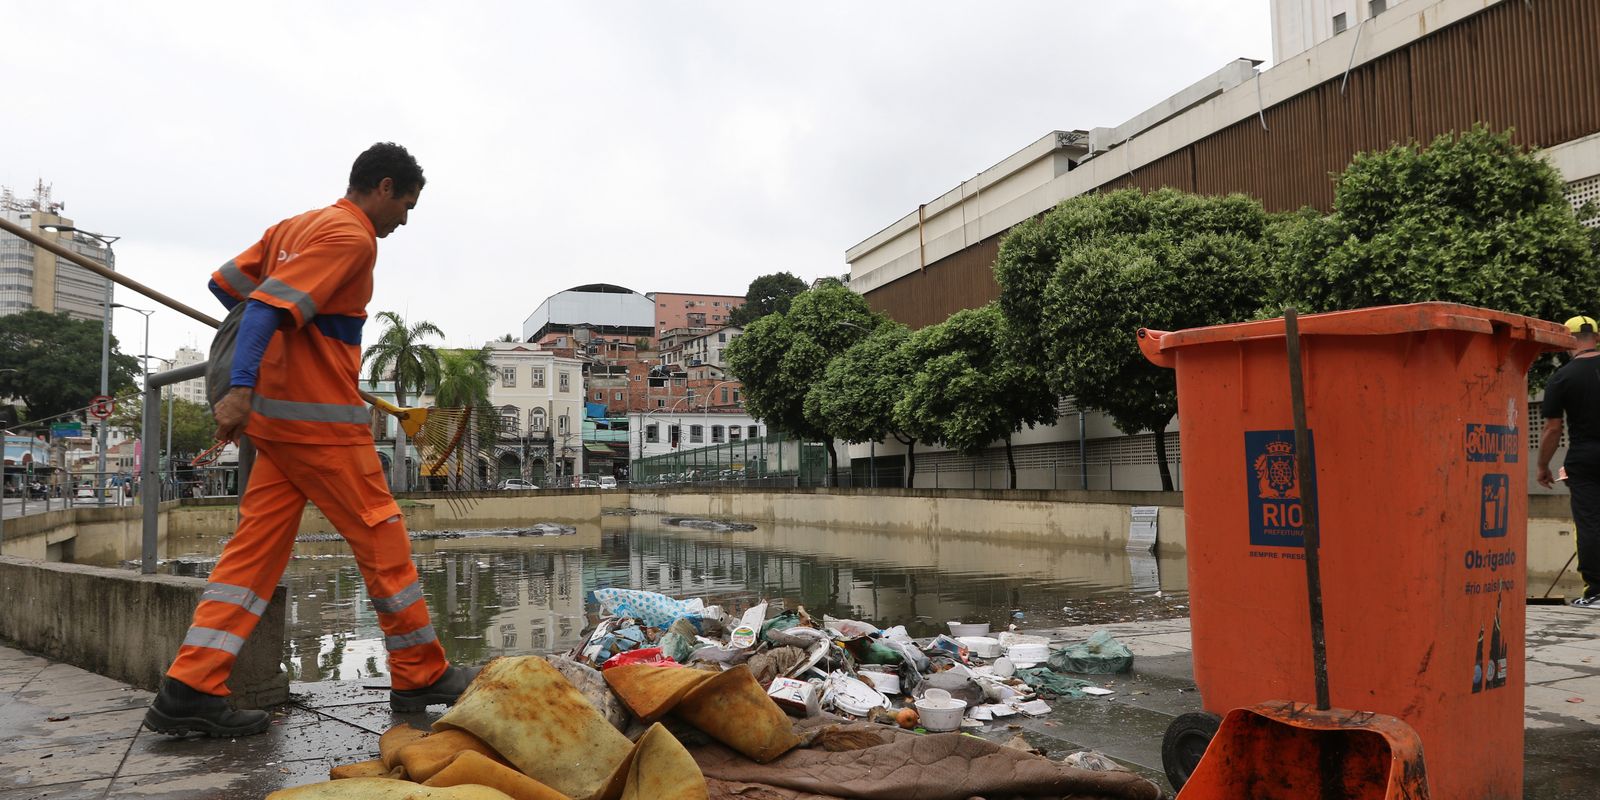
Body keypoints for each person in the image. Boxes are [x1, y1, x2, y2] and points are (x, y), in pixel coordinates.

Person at [145, 143, 476, 738]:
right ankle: (419, 671)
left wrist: (289, 334)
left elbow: (230, 289)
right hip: (318, 423)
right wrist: (242, 383)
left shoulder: (293, 228)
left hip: (277, 428)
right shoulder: (351, 237)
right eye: (406, 203)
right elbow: (267, 308)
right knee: (381, 532)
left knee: (254, 555)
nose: (405, 218)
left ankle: (188, 688)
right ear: (383, 186)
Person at [1537, 315, 1600, 608]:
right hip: (1586, 458)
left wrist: (1542, 465)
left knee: (1589, 522)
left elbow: (1553, 428)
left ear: (1566, 341)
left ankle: (1597, 592)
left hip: (1585, 457)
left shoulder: (1562, 378)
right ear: (1597, 337)